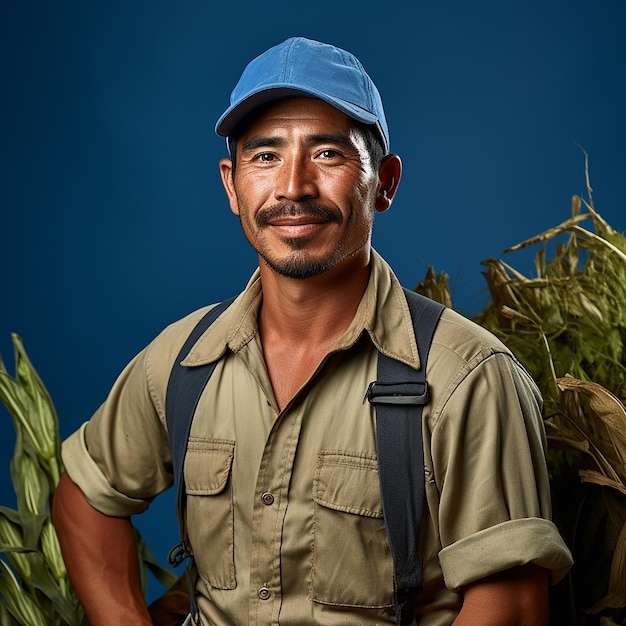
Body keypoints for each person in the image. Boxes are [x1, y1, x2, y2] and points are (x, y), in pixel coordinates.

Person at [52, 36, 573, 625]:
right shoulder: (182, 363)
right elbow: (84, 497)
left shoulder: (468, 379)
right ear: (232, 184)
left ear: (385, 182)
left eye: (327, 154)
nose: (293, 186)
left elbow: (516, 607)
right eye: (265, 155)